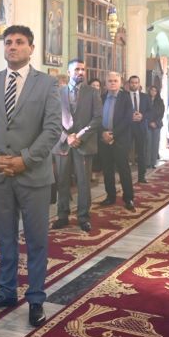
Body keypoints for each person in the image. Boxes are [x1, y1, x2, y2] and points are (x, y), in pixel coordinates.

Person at [0, 25, 61, 327]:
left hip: (33, 175)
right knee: (5, 237)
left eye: (19, 42)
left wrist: (25, 159)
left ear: (31, 48)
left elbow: (52, 129)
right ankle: (6, 290)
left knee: (36, 241)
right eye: (8, 42)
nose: (12, 46)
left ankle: (36, 299)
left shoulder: (47, 84)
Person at [51, 58, 102, 232]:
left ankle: (83, 217)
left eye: (83, 69)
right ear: (69, 72)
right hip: (63, 144)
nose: (81, 72)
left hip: (83, 144)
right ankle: (62, 216)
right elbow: (52, 119)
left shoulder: (92, 92)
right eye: (77, 69)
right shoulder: (58, 92)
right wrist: (67, 137)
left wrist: (79, 136)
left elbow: (97, 118)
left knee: (83, 183)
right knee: (62, 181)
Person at [99, 71, 135, 211]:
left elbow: (127, 119)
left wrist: (113, 134)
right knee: (107, 169)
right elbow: (96, 117)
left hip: (120, 139)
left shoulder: (126, 98)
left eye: (115, 81)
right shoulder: (101, 98)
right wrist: (103, 133)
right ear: (106, 83)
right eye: (110, 81)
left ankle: (128, 198)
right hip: (104, 139)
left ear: (120, 83)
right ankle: (110, 196)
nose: (112, 83)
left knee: (123, 169)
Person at [126, 75, 151, 183]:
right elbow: (120, 111)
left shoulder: (145, 97)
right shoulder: (124, 96)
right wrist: (130, 116)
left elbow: (150, 111)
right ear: (129, 84)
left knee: (141, 152)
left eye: (136, 82)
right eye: (132, 82)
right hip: (127, 127)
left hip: (141, 127)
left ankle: (142, 176)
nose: (134, 84)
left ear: (139, 84)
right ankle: (125, 176)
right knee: (125, 152)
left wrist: (142, 116)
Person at [146, 85, 165, 168]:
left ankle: (153, 162)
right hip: (148, 124)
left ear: (157, 92)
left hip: (157, 125)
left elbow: (161, 113)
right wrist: (150, 122)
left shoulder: (160, 101)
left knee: (155, 143)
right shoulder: (146, 100)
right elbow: (144, 112)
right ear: (149, 91)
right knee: (148, 143)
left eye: (155, 90)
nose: (153, 92)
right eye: (152, 90)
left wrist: (155, 123)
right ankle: (147, 162)